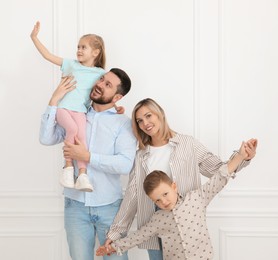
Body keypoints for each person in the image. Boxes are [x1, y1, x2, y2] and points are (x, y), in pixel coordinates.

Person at [104, 98, 258, 260]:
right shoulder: (140, 155)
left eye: (149, 116)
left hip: (187, 222)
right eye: (139, 121)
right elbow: (132, 196)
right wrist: (115, 233)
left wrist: (243, 157)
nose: (145, 123)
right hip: (153, 222)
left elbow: (217, 170)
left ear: (160, 114)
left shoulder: (187, 144)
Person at [39, 69, 137, 260]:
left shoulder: (123, 124)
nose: (100, 84)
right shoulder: (75, 114)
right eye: (101, 79)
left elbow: (125, 164)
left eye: (108, 84)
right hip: (75, 206)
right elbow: (45, 138)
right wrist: (54, 100)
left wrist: (87, 156)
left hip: (110, 208)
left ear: (117, 97)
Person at [31, 21, 106, 192]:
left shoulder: (100, 73)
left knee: (82, 139)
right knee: (71, 129)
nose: (79, 50)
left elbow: (107, 93)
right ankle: (67, 168)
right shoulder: (71, 64)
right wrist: (34, 38)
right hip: (63, 108)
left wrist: (116, 108)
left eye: (83, 47)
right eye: (78, 47)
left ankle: (82, 174)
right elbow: (48, 56)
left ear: (95, 52)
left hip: (80, 111)